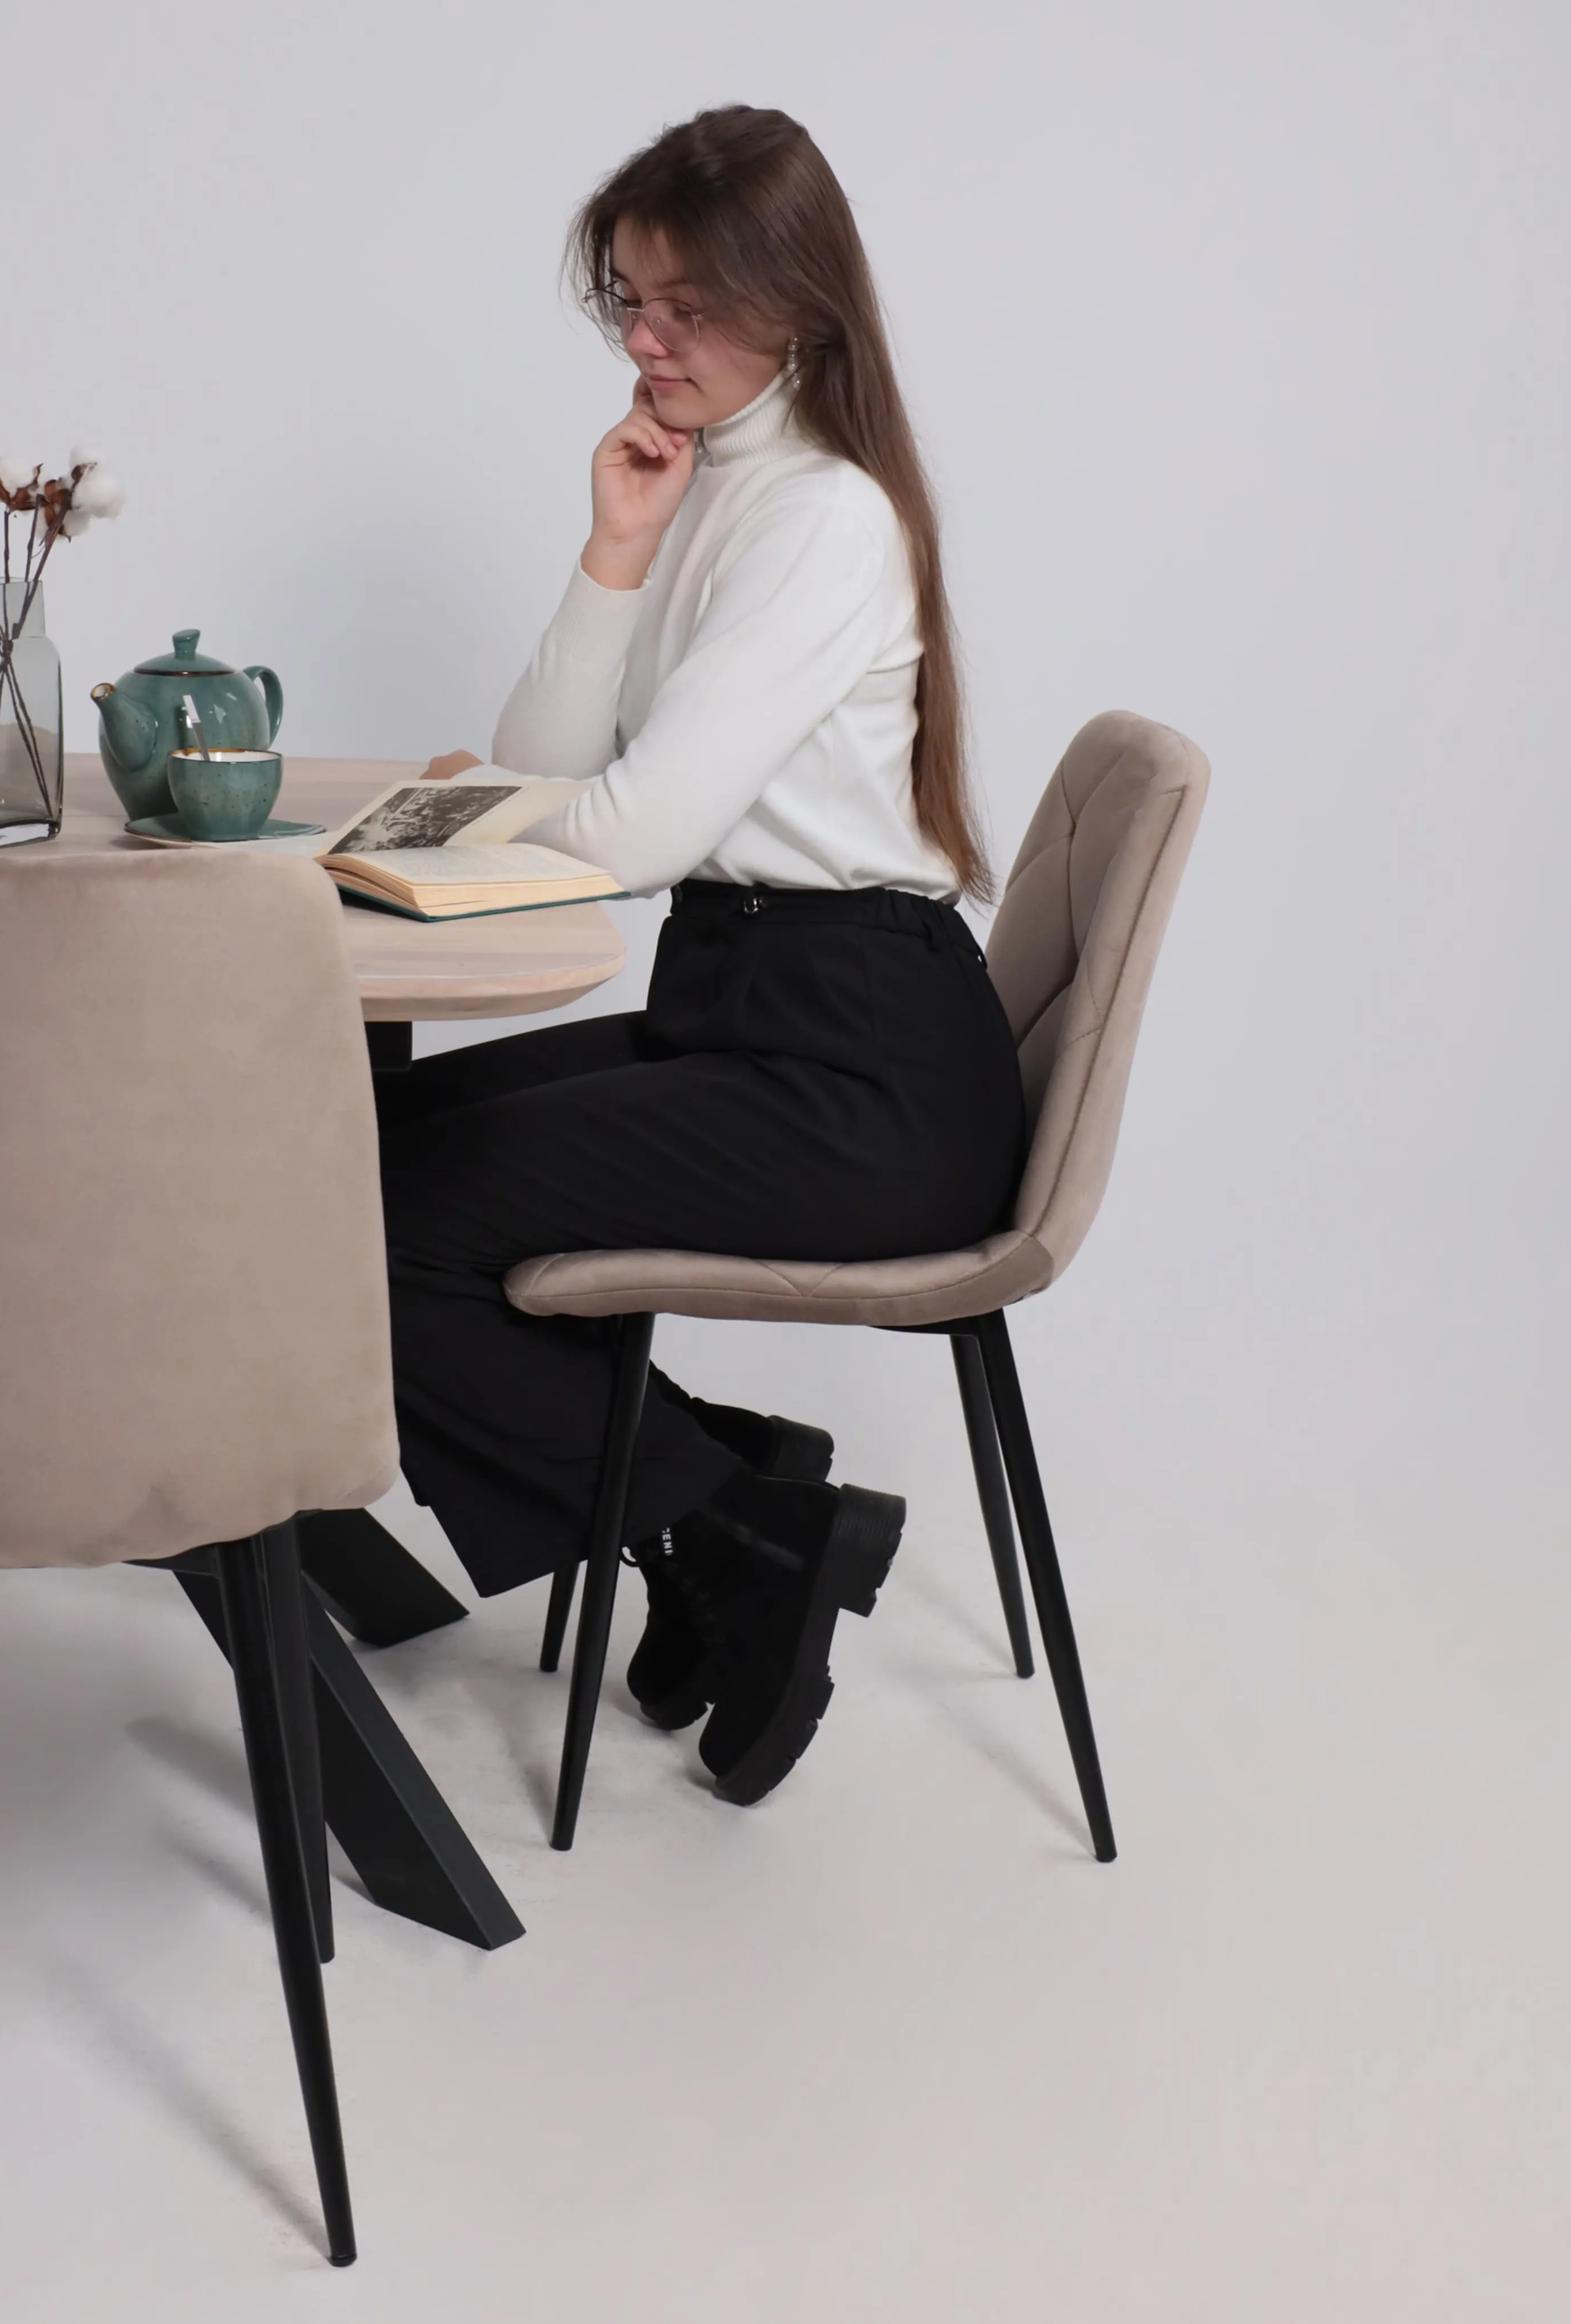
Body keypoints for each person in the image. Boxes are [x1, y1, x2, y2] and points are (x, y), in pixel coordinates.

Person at [376, 106, 1025, 1808]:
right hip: (744, 1013)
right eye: (628, 302)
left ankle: (729, 1525)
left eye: (685, 307)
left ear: (796, 304)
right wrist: (613, 551)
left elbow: (628, 836)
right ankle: (732, 1507)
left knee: (375, 1223)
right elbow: (545, 767)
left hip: (862, 1072)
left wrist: (516, 815)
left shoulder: (821, 517)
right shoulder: (707, 484)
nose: (644, 344)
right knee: (343, 1165)